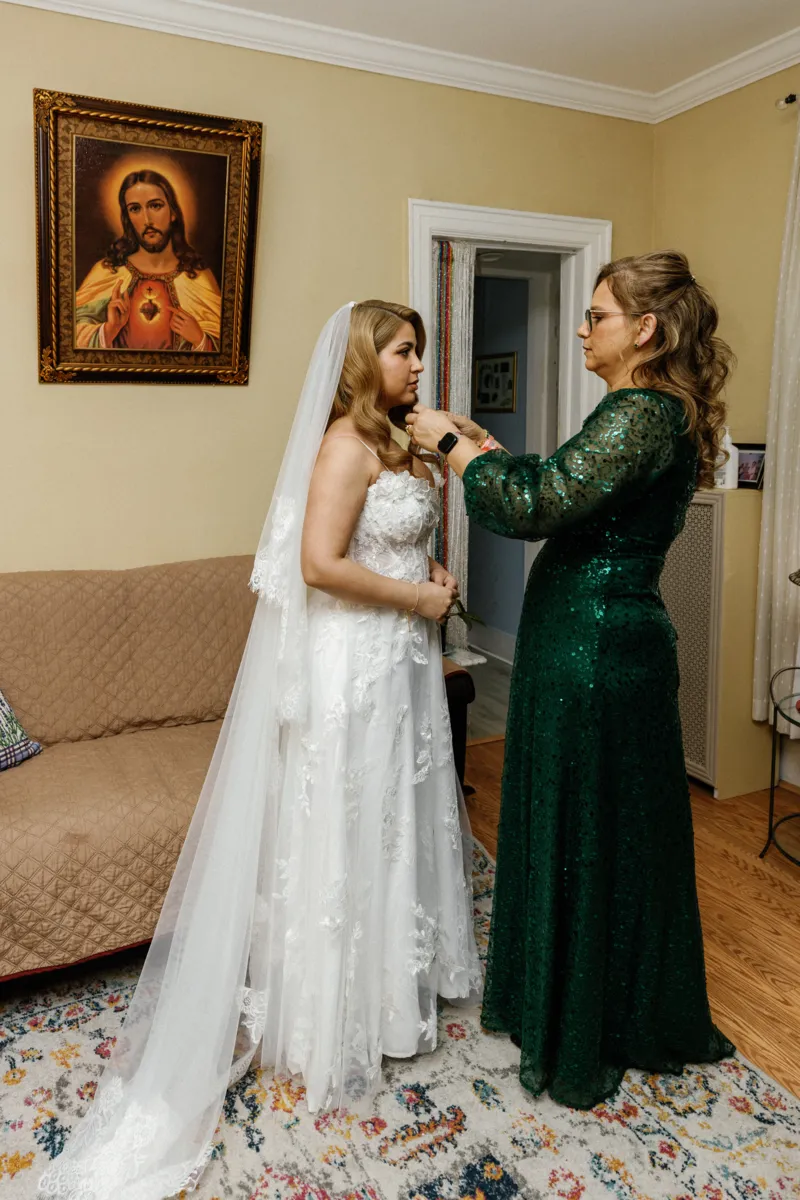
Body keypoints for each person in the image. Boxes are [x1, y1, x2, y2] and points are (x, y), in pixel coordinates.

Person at [39, 300, 481, 1200]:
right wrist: (418, 603)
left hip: (397, 660)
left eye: (419, 353)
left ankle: (397, 995)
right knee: (351, 825)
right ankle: (334, 1014)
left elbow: (389, 541)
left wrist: (429, 570)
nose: (416, 367)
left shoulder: (400, 442)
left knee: (396, 818)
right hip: (356, 662)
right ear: (364, 357)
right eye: (404, 352)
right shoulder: (342, 447)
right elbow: (318, 564)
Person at [406, 250, 735, 1109]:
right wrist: (487, 451)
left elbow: (532, 508)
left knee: (584, 830)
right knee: (604, 832)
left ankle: (586, 1026)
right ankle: (599, 1003)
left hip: (592, 656)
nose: (585, 329)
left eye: (598, 316)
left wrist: (448, 445)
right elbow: (559, 490)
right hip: (602, 648)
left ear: (646, 329)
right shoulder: (650, 415)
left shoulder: (637, 412)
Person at [75, 169, 221, 351]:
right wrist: (109, 329)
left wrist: (200, 339)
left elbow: (226, 351)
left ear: (173, 212)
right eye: (135, 209)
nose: (147, 220)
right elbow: (71, 339)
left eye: (155, 206)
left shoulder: (198, 278)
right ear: (127, 218)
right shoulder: (107, 272)